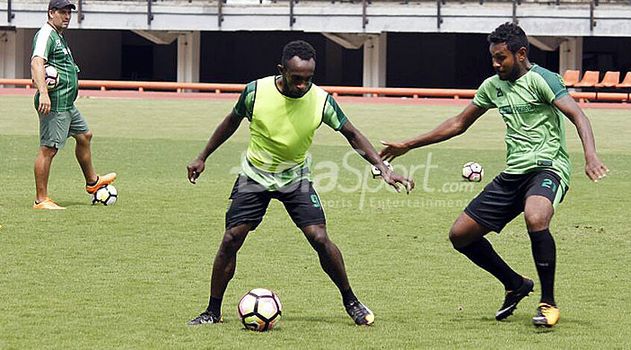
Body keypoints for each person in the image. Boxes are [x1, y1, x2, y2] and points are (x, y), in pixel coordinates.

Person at [380, 23, 608, 328]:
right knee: (460, 235)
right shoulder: (493, 86)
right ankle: (515, 284)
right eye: (493, 58)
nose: (495, 63)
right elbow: (458, 123)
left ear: (521, 53)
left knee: (536, 216)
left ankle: (548, 302)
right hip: (513, 173)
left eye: (501, 57)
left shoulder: (543, 80)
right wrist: (409, 144)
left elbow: (578, 115)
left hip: (548, 167)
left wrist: (590, 155)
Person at [186, 40, 414, 326]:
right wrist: (202, 156)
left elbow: (352, 134)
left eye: (308, 79)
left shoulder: (321, 100)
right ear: (282, 70)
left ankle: (351, 301)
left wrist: (383, 168)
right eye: (296, 79)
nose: (302, 86)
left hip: (296, 177)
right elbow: (231, 122)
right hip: (256, 175)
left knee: (319, 237)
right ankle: (212, 311)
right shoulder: (256, 92)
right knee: (232, 238)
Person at [30, 0, 116, 209]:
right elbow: (36, 62)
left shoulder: (58, 36)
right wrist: (43, 93)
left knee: (84, 135)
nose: (67, 16)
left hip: (67, 104)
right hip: (55, 103)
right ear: (51, 13)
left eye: (69, 12)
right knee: (48, 149)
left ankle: (92, 182)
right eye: (62, 12)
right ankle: (41, 200)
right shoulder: (46, 35)